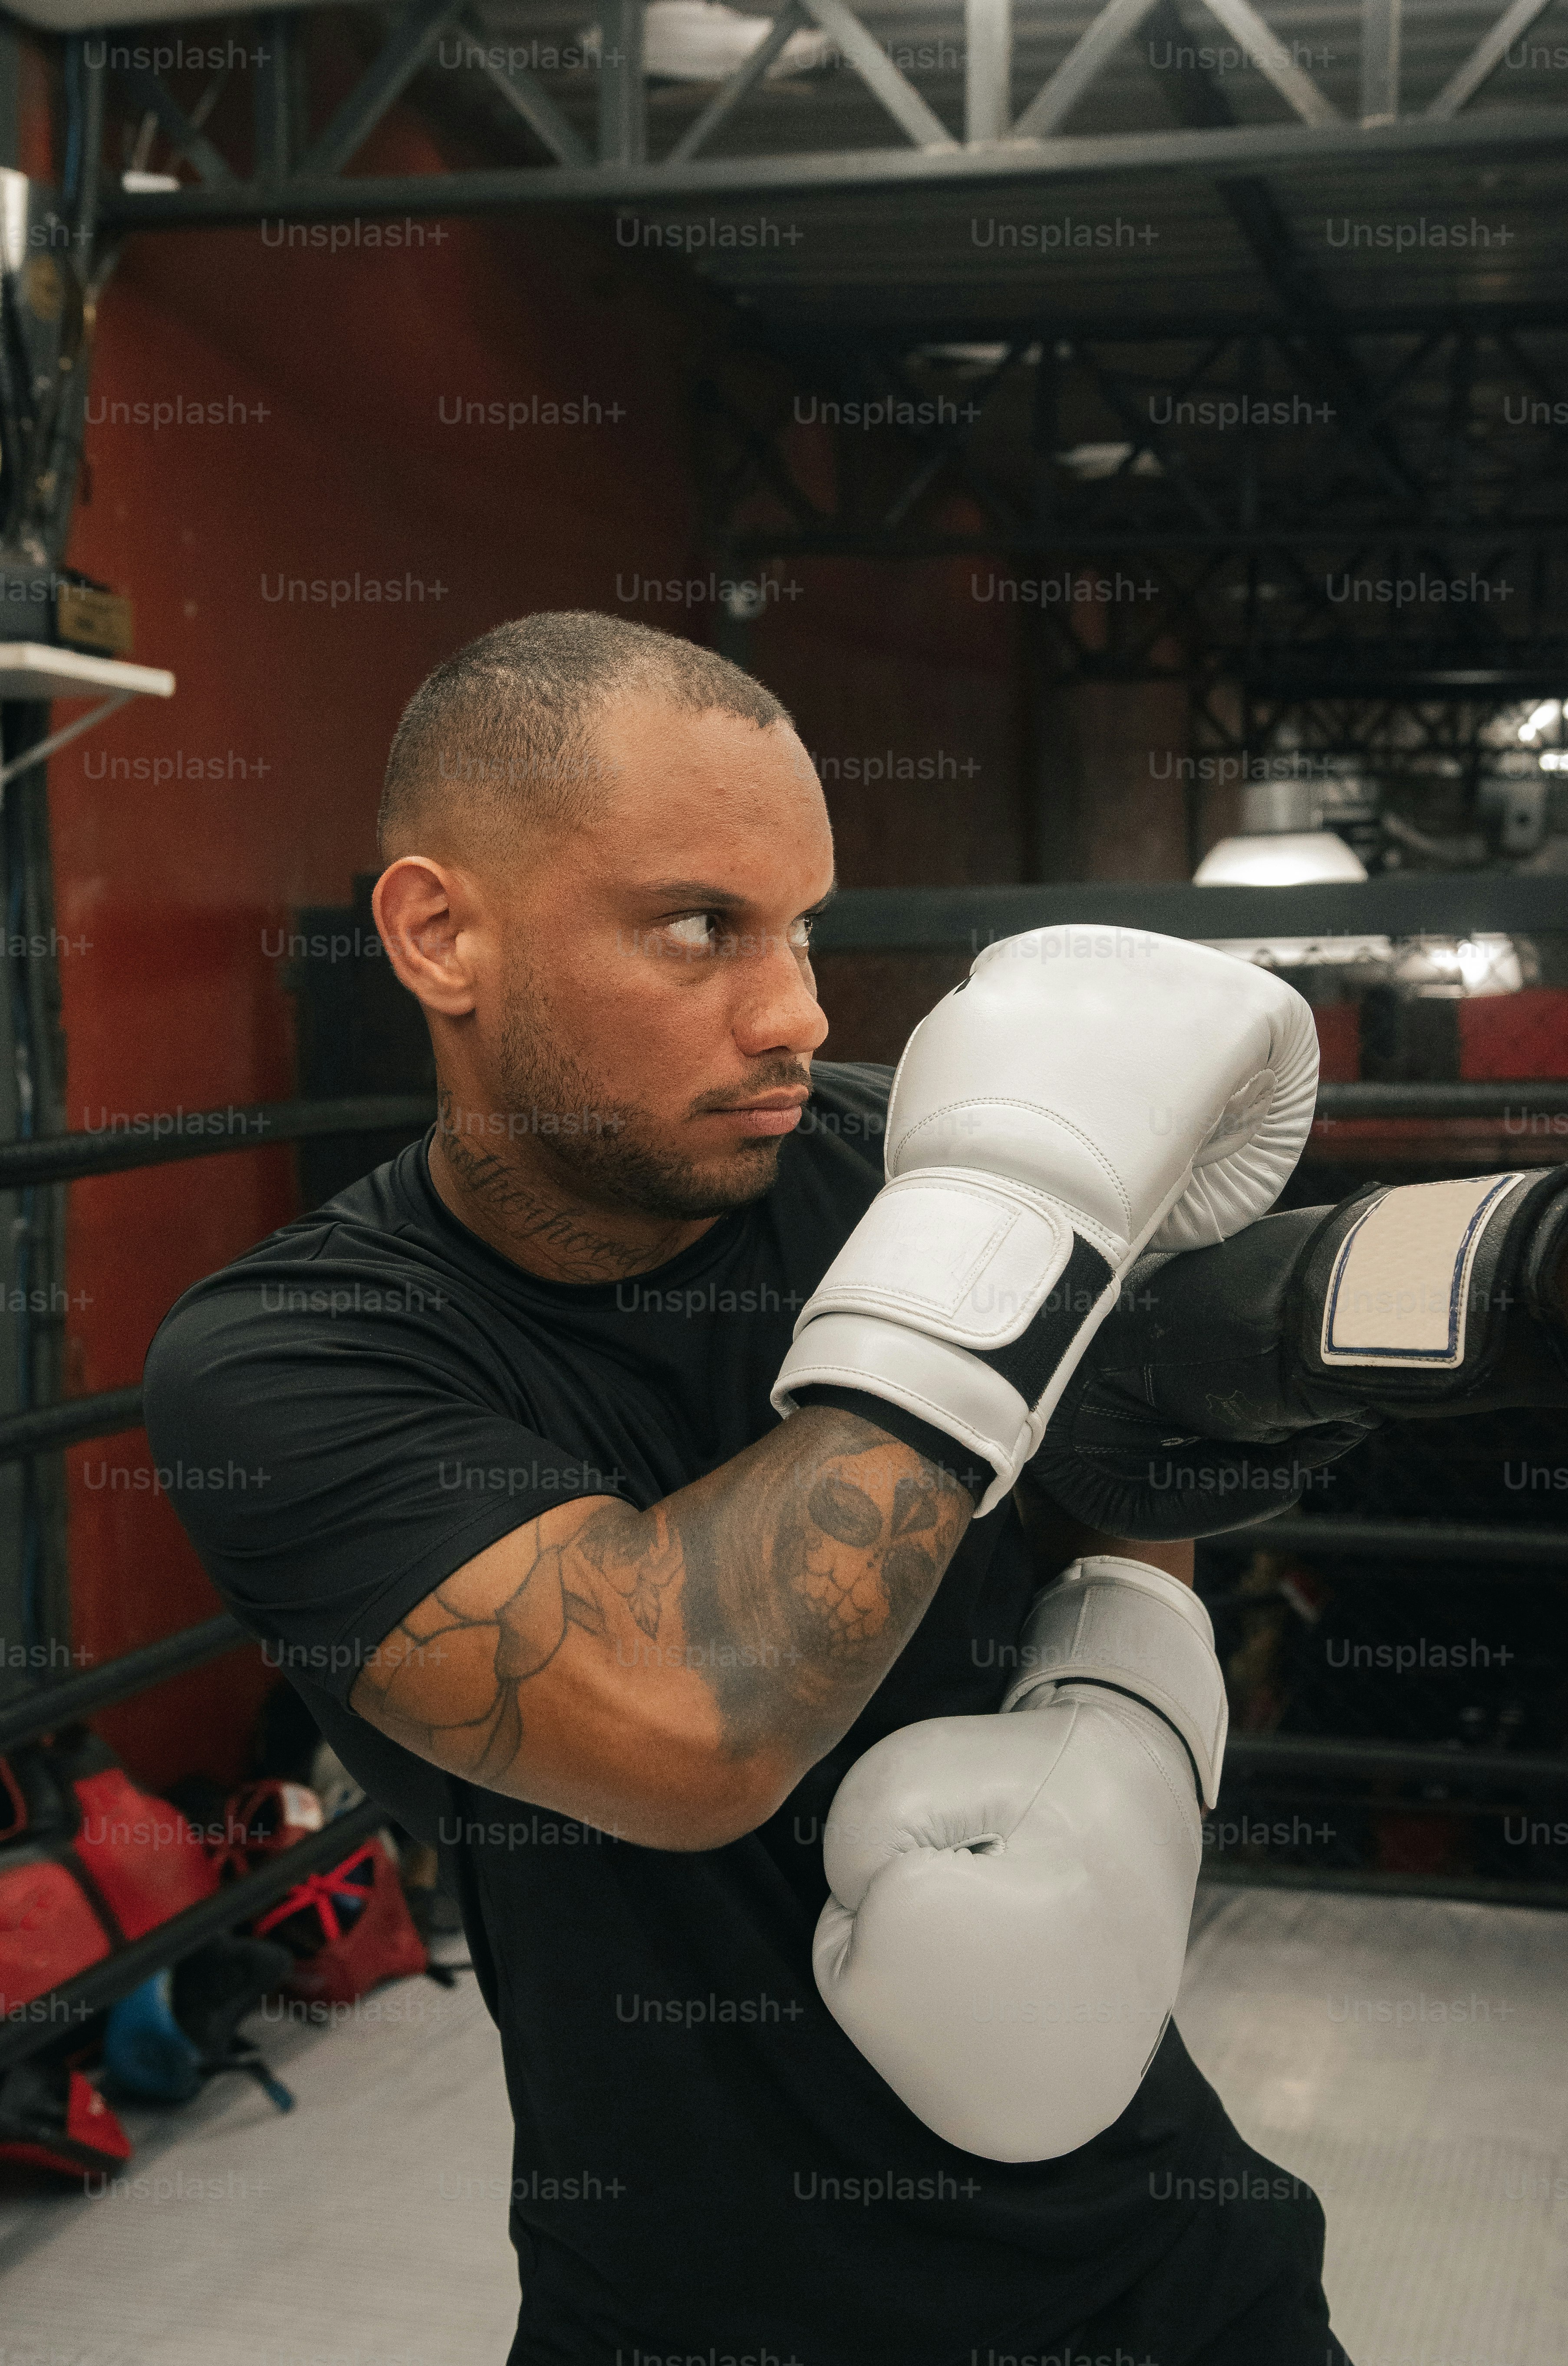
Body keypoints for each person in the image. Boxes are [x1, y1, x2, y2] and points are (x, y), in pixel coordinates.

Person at [143, 611, 1364, 2364]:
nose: (794, 1009)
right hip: (685, 2313)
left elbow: (1131, 1450)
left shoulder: (918, 1160)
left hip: (1179, 2279)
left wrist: (1126, 1709)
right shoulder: (295, 1357)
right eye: (698, 926)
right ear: (438, 934)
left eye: (804, 927)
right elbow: (686, 1717)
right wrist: (1022, 1229)